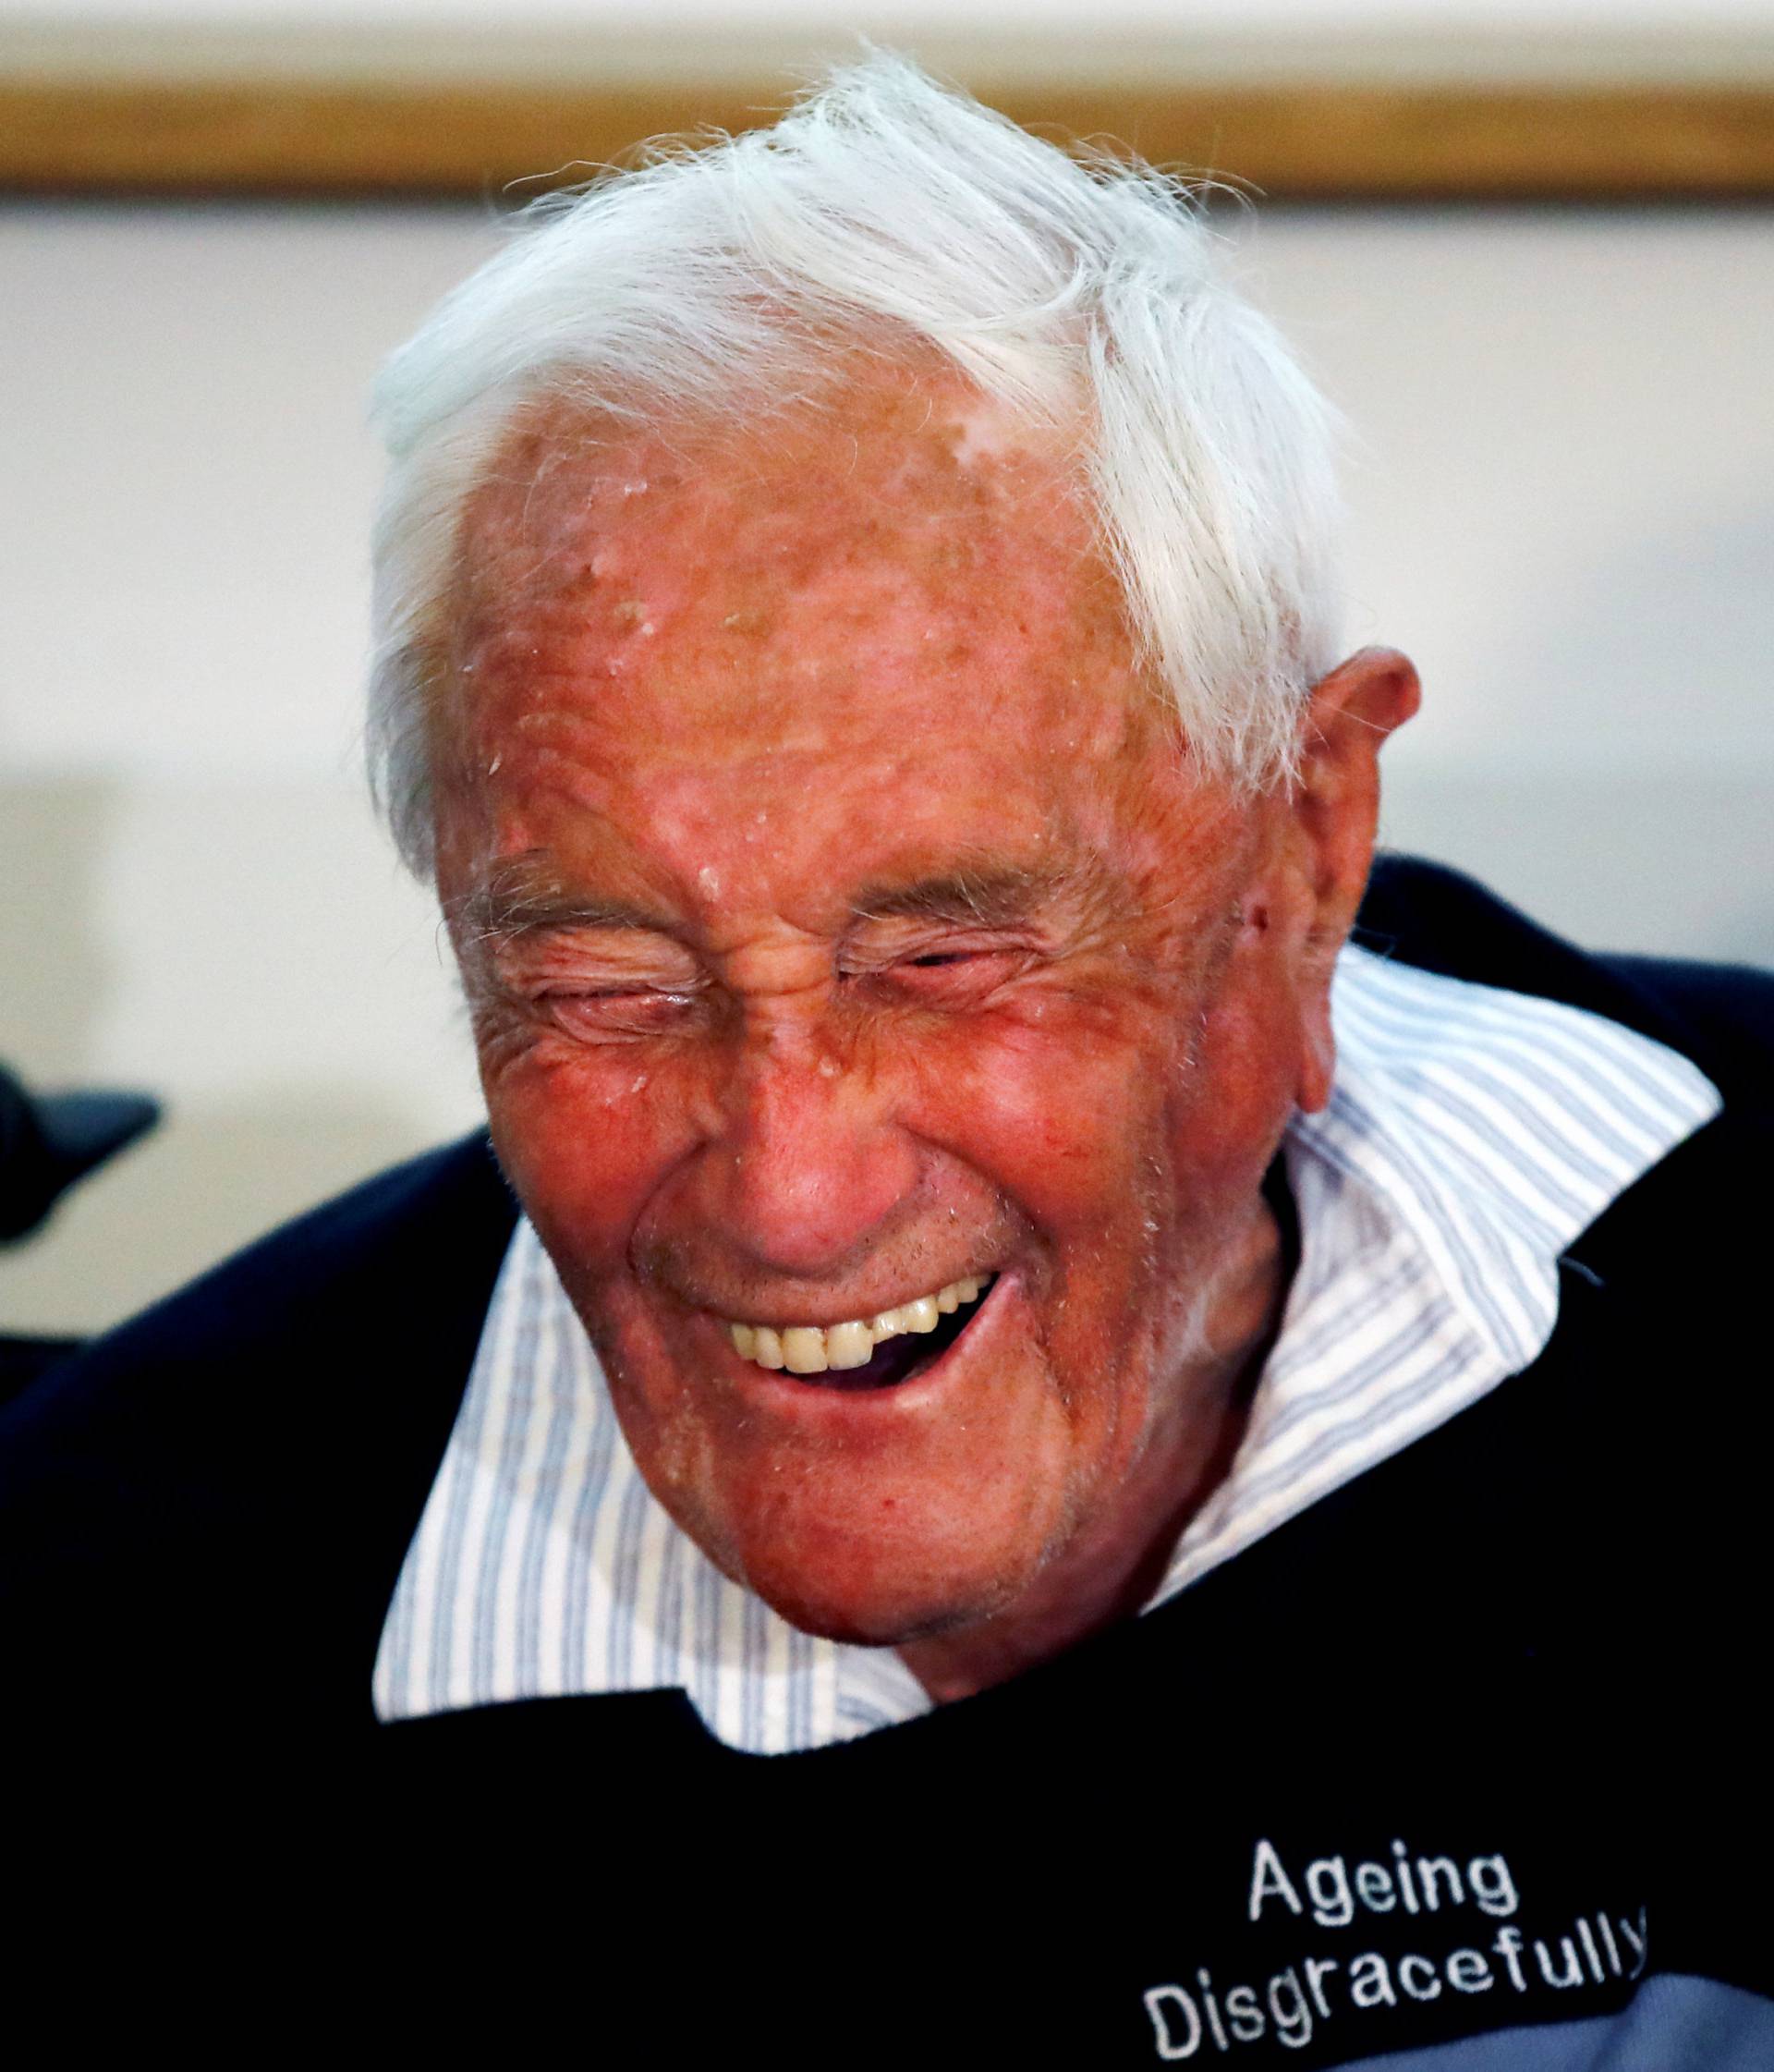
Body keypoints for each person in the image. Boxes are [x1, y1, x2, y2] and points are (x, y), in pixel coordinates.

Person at [3, 56, 1769, 2064]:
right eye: (606, 983)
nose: (791, 1186)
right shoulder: (107, 1663)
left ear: (1298, 855)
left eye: (942, 954)